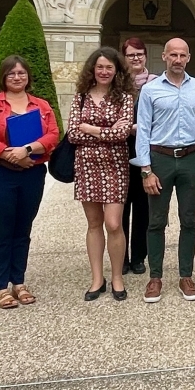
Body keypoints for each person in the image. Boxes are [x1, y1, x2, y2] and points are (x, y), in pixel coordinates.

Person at [0, 55, 60, 308]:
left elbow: (53, 134)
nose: (17, 77)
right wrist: (10, 155)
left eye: (21, 73)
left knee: (23, 229)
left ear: (28, 76)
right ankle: (0, 286)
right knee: (0, 229)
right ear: (4, 77)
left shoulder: (41, 106)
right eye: (12, 74)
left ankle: (18, 281)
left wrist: (28, 150)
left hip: (31, 173)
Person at [133, 36, 195, 303]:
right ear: (164, 57)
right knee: (156, 221)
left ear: (188, 58)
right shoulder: (150, 90)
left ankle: (186, 275)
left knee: (189, 220)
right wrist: (146, 170)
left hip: (189, 158)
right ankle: (155, 277)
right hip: (160, 159)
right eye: (173, 55)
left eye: (182, 55)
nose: (178, 60)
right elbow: (143, 130)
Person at [68, 47, 135, 302]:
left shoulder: (125, 98)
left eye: (109, 67)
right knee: (94, 224)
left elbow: (122, 134)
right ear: (92, 70)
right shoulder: (81, 97)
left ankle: (117, 275)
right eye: (100, 67)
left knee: (114, 223)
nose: (104, 71)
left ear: (116, 70)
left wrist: (91, 129)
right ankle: (98, 278)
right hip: (86, 166)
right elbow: (73, 134)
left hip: (116, 165)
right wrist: (106, 129)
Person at [120, 37, 153, 278]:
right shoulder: (116, 84)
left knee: (143, 207)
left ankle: (139, 256)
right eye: (131, 54)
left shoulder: (155, 83)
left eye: (139, 54)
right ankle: (121, 257)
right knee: (119, 208)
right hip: (120, 150)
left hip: (146, 153)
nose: (136, 58)